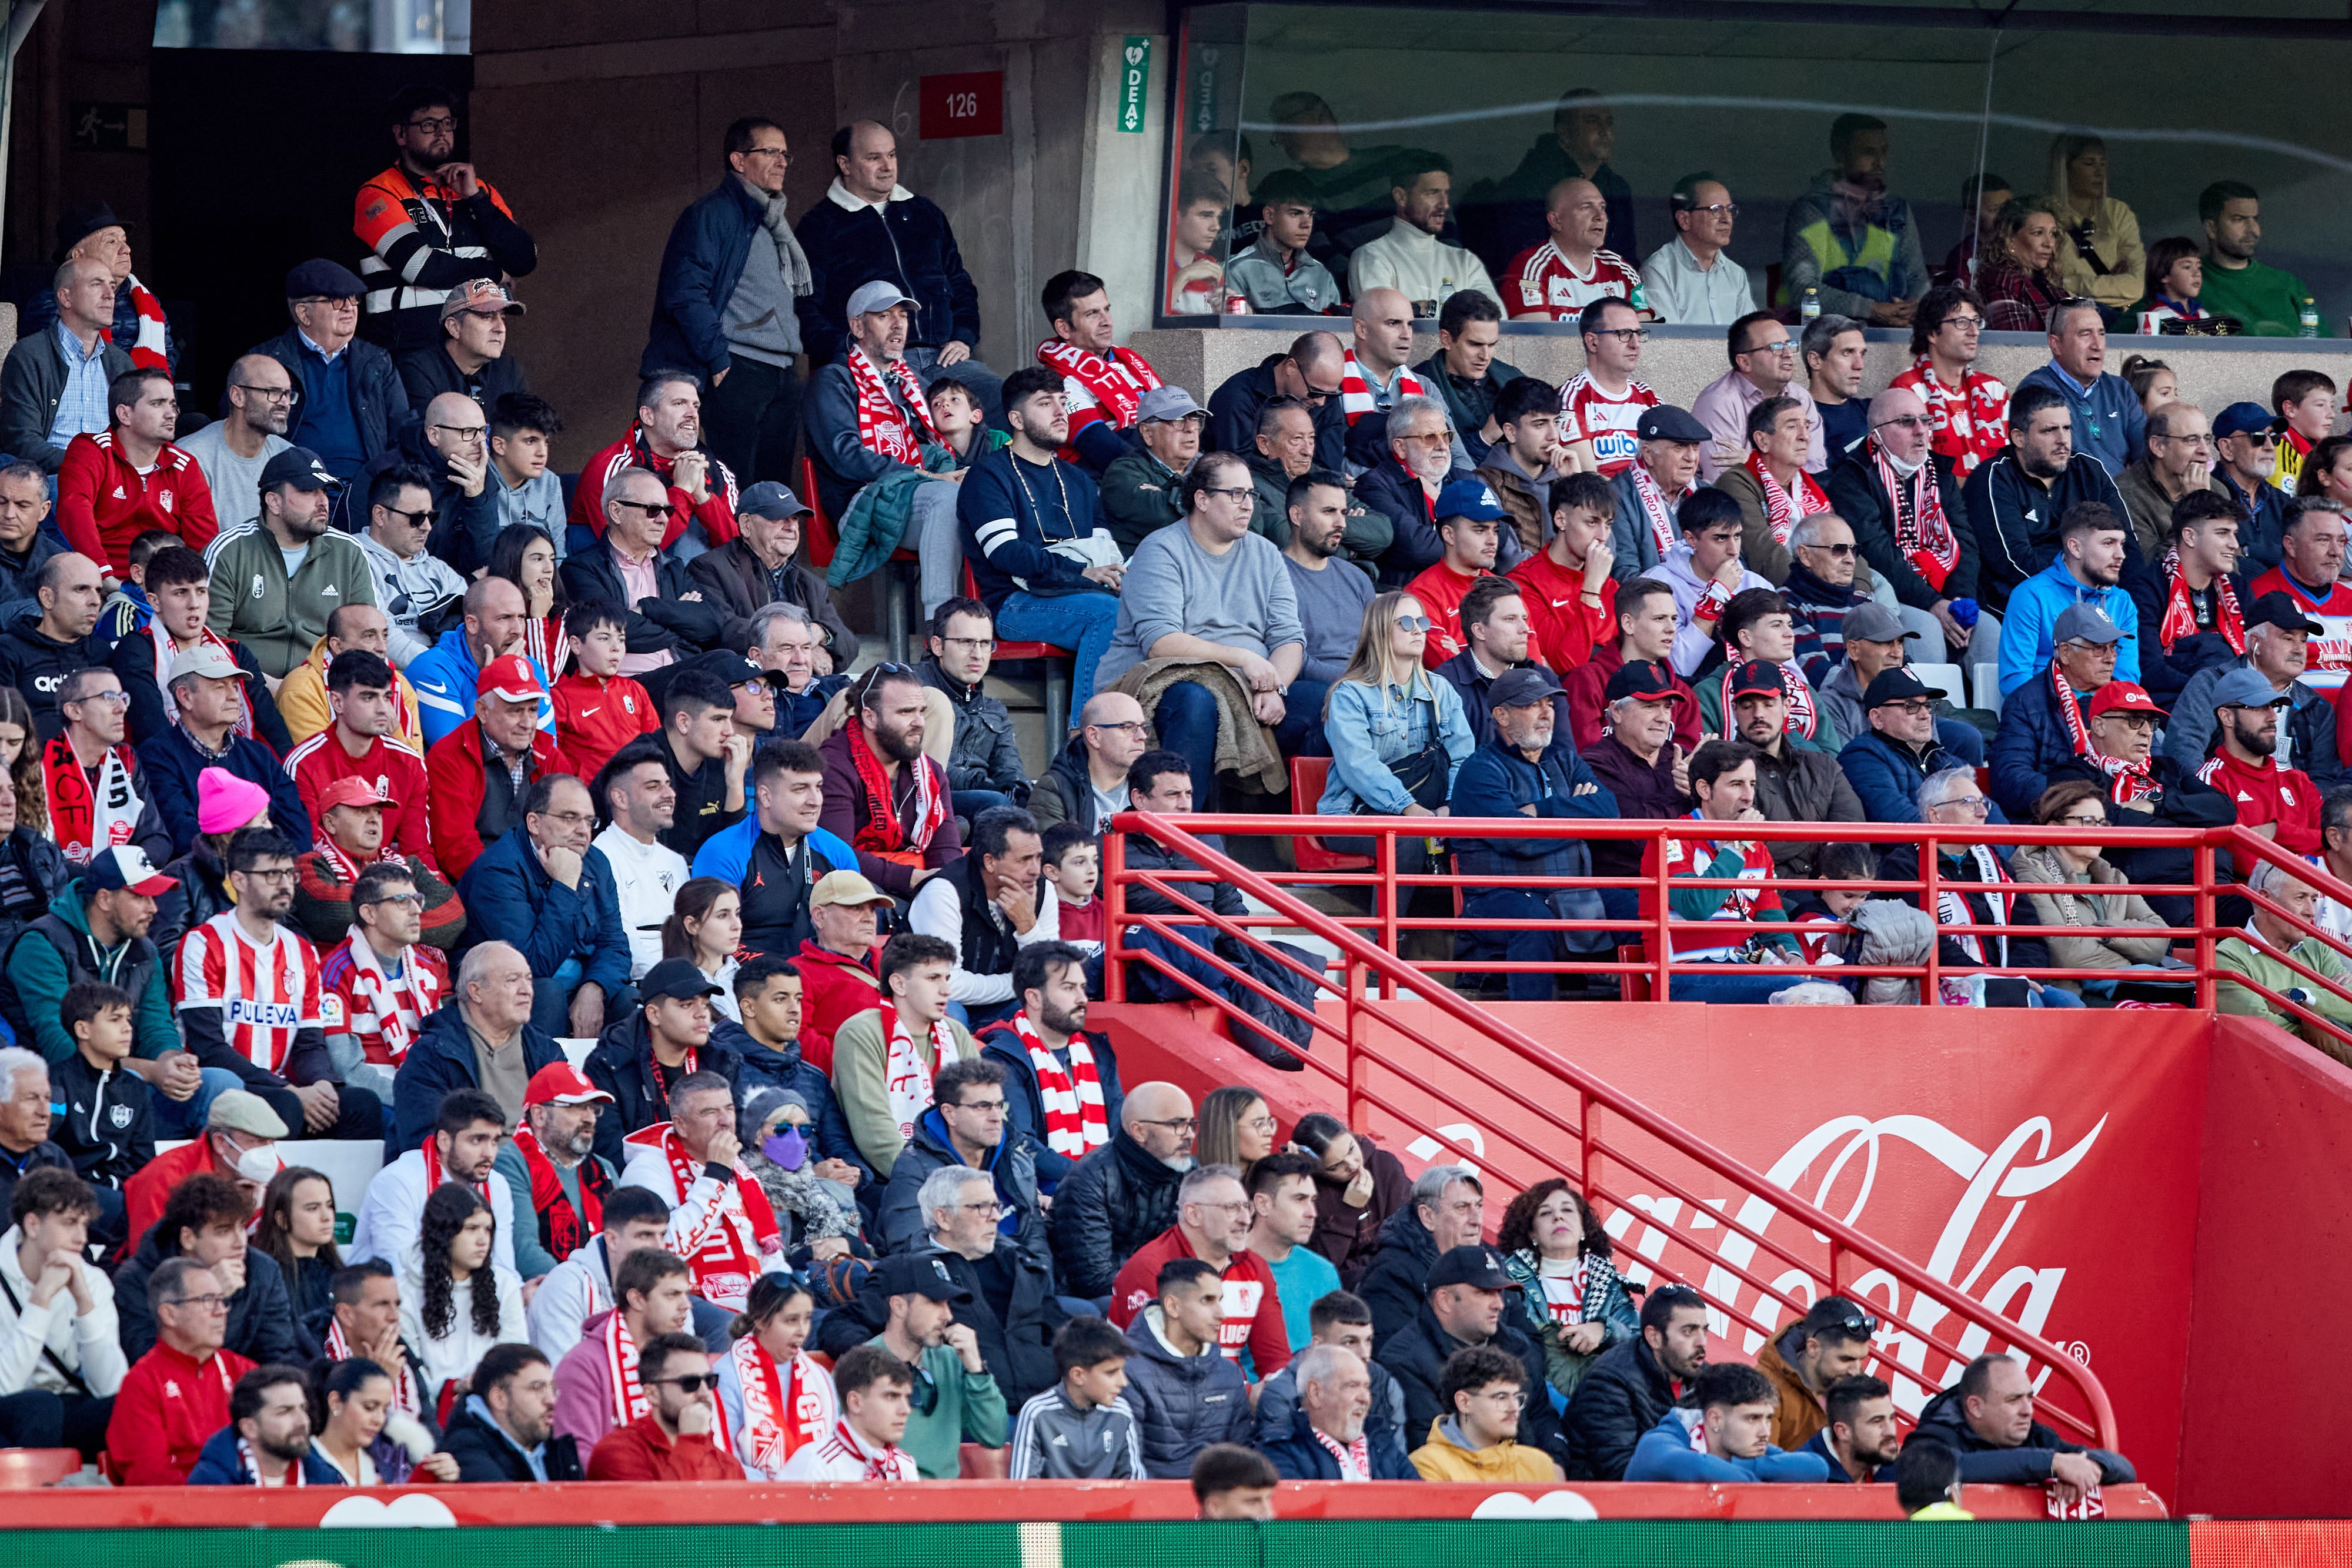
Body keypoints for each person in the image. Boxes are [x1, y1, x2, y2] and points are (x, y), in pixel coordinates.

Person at [1097, 452, 1322, 809]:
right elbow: (1161, 643)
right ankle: (1182, 838)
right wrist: (1246, 660)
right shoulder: (1160, 549)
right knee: (1196, 702)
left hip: (1251, 688)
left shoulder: (1265, 553)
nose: (1247, 505)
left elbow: (1289, 637)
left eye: (1251, 494)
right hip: (1166, 684)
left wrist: (1275, 686)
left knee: (1333, 703)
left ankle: (1297, 839)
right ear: (1201, 499)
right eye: (1235, 494)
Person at [173, 828, 384, 1141]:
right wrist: (289, 1090)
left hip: (283, 1087)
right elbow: (209, 1048)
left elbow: (309, 1043)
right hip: (227, 1085)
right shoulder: (203, 943)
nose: (286, 884)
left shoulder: (302, 951)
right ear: (239, 881)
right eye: (272, 874)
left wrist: (322, 1083)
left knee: (361, 1104)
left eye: (289, 873)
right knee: (285, 1106)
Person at [797, 119, 993, 400]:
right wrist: (850, 351)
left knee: (1003, 398)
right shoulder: (819, 226)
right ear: (845, 164)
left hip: (945, 357)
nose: (888, 166)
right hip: (877, 363)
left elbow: (959, 282)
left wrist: (963, 335)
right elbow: (805, 307)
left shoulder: (925, 213)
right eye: (874, 158)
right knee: (923, 417)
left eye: (892, 155)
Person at [351, 85, 534, 352]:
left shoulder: (478, 189)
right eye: (429, 124)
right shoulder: (377, 193)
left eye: (448, 124)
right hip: (406, 345)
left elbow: (524, 259)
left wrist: (476, 199)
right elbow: (420, 267)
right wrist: (495, 273)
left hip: (473, 345)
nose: (442, 133)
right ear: (401, 134)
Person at [457, 770, 632, 1039]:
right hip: (503, 990)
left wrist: (594, 989)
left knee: (628, 1000)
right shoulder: (499, 871)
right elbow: (533, 965)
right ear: (534, 823)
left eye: (589, 821)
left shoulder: (596, 862)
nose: (583, 831)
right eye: (569, 818)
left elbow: (615, 944)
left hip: (577, 985)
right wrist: (565, 886)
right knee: (547, 993)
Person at [1820, 386, 1973, 656]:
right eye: (1906, 422)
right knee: (1926, 629)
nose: (1920, 430)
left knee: (1991, 632)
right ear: (1876, 436)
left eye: (1925, 421)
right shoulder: (1853, 478)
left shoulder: (1940, 472)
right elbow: (1876, 552)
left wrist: (1959, 601)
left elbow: (1965, 542)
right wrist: (1933, 604)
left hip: (1945, 593)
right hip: (1890, 598)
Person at [201, 447, 376, 683]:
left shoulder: (348, 553)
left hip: (323, 690)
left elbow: (365, 638)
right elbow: (209, 642)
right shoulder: (230, 551)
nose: (323, 501)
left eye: (324, 491)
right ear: (274, 502)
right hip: (243, 686)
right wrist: (270, 687)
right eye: (309, 492)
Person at [1377, 1244, 1565, 1465]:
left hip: (1527, 1479)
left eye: (1499, 1293)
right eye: (1484, 1293)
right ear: (1445, 1301)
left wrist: (1555, 1464)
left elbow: (1543, 1417)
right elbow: (1428, 1443)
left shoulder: (1517, 1346)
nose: (1500, 1305)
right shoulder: (1404, 1360)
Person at [1965, 383, 2134, 623]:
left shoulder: (2088, 471)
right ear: (2019, 438)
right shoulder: (1994, 478)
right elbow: (2013, 562)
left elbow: (2126, 542)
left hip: (2095, 599)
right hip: (2025, 609)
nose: (2063, 440)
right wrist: (2081, 592)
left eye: (2067, 428)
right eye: (2049, 431)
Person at [829, 932, 981, 1180]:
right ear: (899, 984)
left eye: (947, 978)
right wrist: (941, 1186)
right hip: (890, 1179)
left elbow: (986, 1112)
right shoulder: (860, 1034)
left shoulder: (956, 1033)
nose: (946, 990)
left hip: (963, 1176)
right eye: (933, 978)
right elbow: (876, 1136)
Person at [114, 1166, 302, 1368]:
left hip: (245, 1393)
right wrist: (212, 1296)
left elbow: (278, 1357)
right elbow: (148, 1362)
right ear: (188, 1238)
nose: (240, 1242)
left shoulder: (264, 1270)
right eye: (223, 1232)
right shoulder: (135, 1280)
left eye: (241, 1227)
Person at [136, 646, 309, 858]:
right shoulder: (157, 756)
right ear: (185, 697)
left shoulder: (258, 754)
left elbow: (297, 826)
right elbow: (183, 833)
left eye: (235, 686)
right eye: (220, 687)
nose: (234, 697)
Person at [246, 260, 406, 486]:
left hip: (364, 489)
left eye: (354, 299)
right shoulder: (266, 361)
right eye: (337, 300)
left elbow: (402, 435)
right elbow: (243, 434)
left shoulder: (377, 361)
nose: (350, 307)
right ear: (304, 313)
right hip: (292, 486)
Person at [2009, 780, 2173, 996]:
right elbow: (2066, 954)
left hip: (2124, 989)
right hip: (2072, 997)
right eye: (2087, 821)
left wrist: (2103, 933)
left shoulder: (2113, 877)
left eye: (2102, 822)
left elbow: (2160, 940)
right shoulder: (2031, 874)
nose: (2098, 830)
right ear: (2055, 829)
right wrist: (2133, 966)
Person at [56, 368, 219, 585]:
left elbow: (203, 544)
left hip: (165, 589)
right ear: (125, 414)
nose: (171, 413)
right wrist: (105, 577)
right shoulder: (92, 450)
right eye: (158, 403)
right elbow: (74, 509)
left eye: (172, 404)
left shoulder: (185, 465)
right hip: (98, 584)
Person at [0, 1168, 122, 1457]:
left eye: (84, 1225)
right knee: (41, 1407)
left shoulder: (93, 1281)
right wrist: (40, 1300)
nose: (82, 1238)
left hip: (66, 1404)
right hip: (10, 1412)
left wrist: (84, 1305)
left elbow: (111, 1387)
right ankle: (39, 1500)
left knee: (128, 1407)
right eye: (69, 1224)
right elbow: (5, 1387)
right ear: (32, 1225)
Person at [854, 1250, 1005, 1477]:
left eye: (948, 1303)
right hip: (884, 1501)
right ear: (899, 1306)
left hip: (944, 1505)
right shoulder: (860, 1366)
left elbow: (994, 1436)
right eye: (935, 1302)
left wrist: (976, 1368)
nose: (948, 1315)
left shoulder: (953, 1359)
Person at [426, 653, 577, 881]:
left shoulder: (549, 756)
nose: (527, 723)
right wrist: (507, 887)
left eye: (532, 710)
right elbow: (456, 848)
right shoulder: (448, 757)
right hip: (479, 884)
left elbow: (570, 830)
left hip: (542, 878)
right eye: (515, 711)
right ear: (482, 711)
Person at [816, 666, 961, 901]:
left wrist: (946, 887)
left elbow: (946, 851)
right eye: (906, 713)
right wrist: (911, 878)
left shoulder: (931, 773)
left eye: (921, 711)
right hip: (854, 896)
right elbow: (837, 856)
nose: (920, 722)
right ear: (870, 717)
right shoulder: (833, 767)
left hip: (920, 891)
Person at [2167, 593, 2339, 785]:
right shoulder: (2211, 684)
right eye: (2288, 638)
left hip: (2293, 809)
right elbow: (2184, 750)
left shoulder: (2317, 706)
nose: (2299, 650)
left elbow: (2323, 779)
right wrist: (2207, 801)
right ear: (2255, 643)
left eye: (2303, 640)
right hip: (2223, 802)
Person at [1913, 1350, 2136, 1496]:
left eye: (2029, 1398)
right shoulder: (1934, 1436)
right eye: (2013, 1400)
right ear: (1975, 1407)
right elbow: (1954, 1467)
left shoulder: (2036, 1436)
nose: (2027, 1411)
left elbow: (2125, 1468)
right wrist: (2051, 1463)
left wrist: (2094, 1467)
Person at [569, 372, 740, 561]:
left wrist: (702, 497)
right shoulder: (611, 468)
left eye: (696, 406)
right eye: (679, 404)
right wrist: (683, 491)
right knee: (687, 543)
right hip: (608, 573)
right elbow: (627, 550)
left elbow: (736, 552)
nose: (692, 414)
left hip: (686, 575)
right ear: (648, 416)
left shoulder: (716, 471)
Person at [351, 1086, 519, 1277]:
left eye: (495, 1141)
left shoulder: (497, 1185)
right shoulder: (398, 1182)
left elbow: (503, 1269)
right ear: (444, 1141)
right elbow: (399, 1274)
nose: (489, 1153)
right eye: (477, 1141)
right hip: (390, 1301)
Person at [1050, 1080, 1194, 1299]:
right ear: (1139, 1132)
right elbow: (1094, 1280)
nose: (1190, 1135)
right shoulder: (1089, 1180)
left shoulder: (1190, 1174)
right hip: (1088, 1303)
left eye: (1192, 1125)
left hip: (1162, 1292)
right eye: (1177, 1125)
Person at [1781, 113, 1929, 327]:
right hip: (1831, 341)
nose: (1880, 163)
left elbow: (1918, 279)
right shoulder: (1812, 210)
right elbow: (1801, 289)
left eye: (1884, 152)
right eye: (1869, 153)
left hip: (1896, 339)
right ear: (1840, 155)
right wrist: (1870, 309)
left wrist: (1916, 308)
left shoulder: (1898, 210)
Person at [686, 482, 854, 663]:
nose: (791, 527)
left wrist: (822, 633)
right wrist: (801, 649)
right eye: (778, 518)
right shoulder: (710, 568)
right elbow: (723, 630)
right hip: (745, 683)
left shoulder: (812, 584)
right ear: (746, 524)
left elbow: (850, 644)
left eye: (795, 518)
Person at [1115, 1257, 1251, 1478]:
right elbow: (1127, 1467)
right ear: (1173, 1307)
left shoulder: (1229, 1374)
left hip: (1216, 1503)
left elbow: (1240, 1459)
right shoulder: (1127, 1372)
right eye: (1207, 1301)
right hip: (1150, 1504)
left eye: (1220, 1300)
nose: (1221, 1314)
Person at [398, 1182, 526, 1414]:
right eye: (472, 1228)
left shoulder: (505, 1285)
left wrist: (482, 1383)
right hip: (431, 1410)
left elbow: (514, 1355)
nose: (482, 1240)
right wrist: (454, 1386)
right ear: (444, 1233)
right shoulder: (405, 1293)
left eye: (488, 1230)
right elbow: (409, 1372)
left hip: (495, 1405)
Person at [1559, 1281, 1708, 1480]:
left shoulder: (1707, 1378)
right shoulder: (1609, 1382)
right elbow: (1621, 1471)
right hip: (1606, 1504)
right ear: (1654, 1337)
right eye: (1688, 1331)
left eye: (1704, 1330)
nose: (1702, 1343)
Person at [0, 256, 133, 476]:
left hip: (112, 481)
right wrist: (87, 467)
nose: (110, 295)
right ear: (66, 297)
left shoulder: (122, 363)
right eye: (97, 284)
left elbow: (136, 435)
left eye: (112, 287)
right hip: (51, 477)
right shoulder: (29, 356)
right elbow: (22, 440)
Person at [1999, 503, 2140, 697]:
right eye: (2108, 543)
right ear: (2075, 548)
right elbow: (2016, 680)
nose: (2121, 555)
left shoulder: (2122, 602)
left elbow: (2126, 678)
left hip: (2106, 716)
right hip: (2047, 715)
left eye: (2122, 544)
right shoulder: (2032, 596)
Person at [1034, 269, 1167, 474]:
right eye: (1092, 314)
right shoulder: (1058, 379)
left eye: (1107, 310)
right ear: (1064, 329)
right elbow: (1101, 447)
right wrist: (1169, 470)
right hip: (1115, 479)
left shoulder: (1127, 360)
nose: (1108, 321)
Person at [2130, 490, 2247, 706]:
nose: (2234, 544)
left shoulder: (2239, 589)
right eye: (2223, 533)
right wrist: (2215, 689)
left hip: (2235, 702)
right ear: (2190, 537)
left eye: (2234, 534)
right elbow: (2150, 669)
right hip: (2174, 706)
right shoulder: (2148, 588)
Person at [1623, 1361, 1830, 1482]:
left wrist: (1741, 1465)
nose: (1765, 1432)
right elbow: (1699, 1468)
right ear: (1716, 1419)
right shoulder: (1660, 1441)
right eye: (1752, 1419)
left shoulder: (1746, 1449)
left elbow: (1816, 1468)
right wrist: (1755, 1485)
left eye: (1768, 1418)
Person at [1560, 577, 1702, 753]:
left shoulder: (1683, 695)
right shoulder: (1586, 681)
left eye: (1673, 619)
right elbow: (1585, 758)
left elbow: (1685, 764)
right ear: (1629, 624)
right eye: (1659, 618)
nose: (1671, 628)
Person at [1886, 286, 2008, 487]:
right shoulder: (1907, 390)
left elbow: (2012, 460)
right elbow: (1915, 471)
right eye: (1962, 322)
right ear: (1933, 333)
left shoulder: (1994, 389)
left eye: (1977, 322)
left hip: (1997, 502)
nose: (1974, 332)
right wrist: (1982, 489)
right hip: (1942, 508)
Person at [1347, 153, 1496, 316]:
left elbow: (1495, 320)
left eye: (1446, 194)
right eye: (1432, 193)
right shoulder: (1372, 258)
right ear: (1401, 197)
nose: (1444, 205)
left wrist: (1419, 310)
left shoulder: (1466, 262)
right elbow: (1382, 319)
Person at [349, 470, 467, 675]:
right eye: (417, 518)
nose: (427, 527)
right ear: (380, 515)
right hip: (389, 676)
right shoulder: (354, 559)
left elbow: (471, 624)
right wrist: (442, 668)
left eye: (432, 517)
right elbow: (382, 636)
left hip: (450, 673)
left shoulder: (440, 570)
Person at [583, 1329, 743, 1480]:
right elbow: (665, 1507)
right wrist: (691, 1441)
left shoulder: (728, 1466)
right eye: (690, 1383)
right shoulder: (617, 1452)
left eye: (709, 1381)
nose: (704, 1392)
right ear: (652, 1394)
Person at [2015, 299, 2146, 482]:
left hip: (2126, 501)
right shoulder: (2037, 390)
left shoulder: (2119, 389)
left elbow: (2148, 456)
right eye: (2085, 335)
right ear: (2056, 344)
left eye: (2101, 334)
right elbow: (2072, 464)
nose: (2098, 345)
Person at [1692, 315, 1827, 490]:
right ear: (1745, 362)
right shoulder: (1719, 402)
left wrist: (1751, 464)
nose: (1787, 354)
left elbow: (1815, 473)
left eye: (1789, 344)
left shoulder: (1800, 397)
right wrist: (1781, 470)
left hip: (1800, 506)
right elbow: (1728, 484)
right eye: (1775, 347)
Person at [1838, 664, 1984, 825]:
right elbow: (1898, 823)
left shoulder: (1947, 761)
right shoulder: (1861, 758)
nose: (1925, 715)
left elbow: (1988, 814)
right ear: (1877, 718)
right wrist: (1965, 838)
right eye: (1911, 707)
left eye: (1927, 706)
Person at [1005, 1315, 1143, 1479]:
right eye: (1111, 1372)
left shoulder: (1122, 1412)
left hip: (1110, 1506)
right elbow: (1022, 1491)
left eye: (1122, 1370)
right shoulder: (1037, 1413)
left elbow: (1134, 1488)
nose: (1123, 1382)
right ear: (1078, 1375)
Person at [1262, 1341, 1416, 1482]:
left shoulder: (1382, 1443)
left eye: (1366, 1387)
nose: (1365, 1398)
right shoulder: (1279, 1450)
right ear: (1316, 1393)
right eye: (1352, 1386)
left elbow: (1420, 1504)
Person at [1357, 395, 1467, 590]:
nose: (1442, 446)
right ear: (1401, 448)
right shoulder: (1375, 486)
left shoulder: (1468, 481)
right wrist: (1474, 546)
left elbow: (1500, 540)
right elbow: (1418, 547)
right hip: (1412, 602)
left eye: (1446, 436)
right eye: (1430, 438)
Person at [1501, 178, 1645, 326]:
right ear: (1556, 221)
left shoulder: (1623, 271)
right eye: (1586, 208)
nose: (1600, 217)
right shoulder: (1531, 267)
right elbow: (1538, 341)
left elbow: (1645, 335)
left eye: (1602, 208)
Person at [1409, 1343, 1561, 1481]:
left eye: (1517, 1397)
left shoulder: (1539, 1464)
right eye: (1501, 1397)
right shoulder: (1427, 1465)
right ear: (1464, 1402)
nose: (1514, 1407)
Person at [437, 1342, 584, 1482]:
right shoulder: (466, 1449)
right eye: (537, 1388)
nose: (551, 1400)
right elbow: (508, 1508)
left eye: (552, 1388)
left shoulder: (557, 1443)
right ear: (499, 1399)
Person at [1208, 331, 1348, 477]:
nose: (1322, 402)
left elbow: (1329, 469)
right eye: (1315, 391)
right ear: (1291, 367)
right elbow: (1238, 471)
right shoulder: (1237, 399)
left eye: (1331, 394)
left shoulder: (1324, 396)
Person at [776, 1340, 920, 1481]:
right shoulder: (814, 1466)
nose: (906, 1410)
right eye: (891, 1397)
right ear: (855, 1402)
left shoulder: (904, 1465)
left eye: (907, 1397)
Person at [1751, 1294, 1877, 1453]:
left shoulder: (1856, 1385)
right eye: (1846, 1359)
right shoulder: (1763, 1389)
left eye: (1861, 1359)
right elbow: (1760, 1468)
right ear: (1813, 1348)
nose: (1856, 1371)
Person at [183, 1363, 341, 1486]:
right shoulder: (212, 1483)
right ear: (249, 1428)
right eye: (285, 1411)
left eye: (303, 1408)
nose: (303, 1421)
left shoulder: (327, 1479)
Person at [2196, 180, 2313, 338]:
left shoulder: (2288, 284)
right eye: (2239, 219)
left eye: (2255, 219)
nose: (2254, 231)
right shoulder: (2186, 281)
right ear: (2211, 228)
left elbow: (2327, 352)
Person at [2119, 404, 2230, 569]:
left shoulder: (2216, 490)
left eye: (2206, 439)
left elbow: (2231, 561)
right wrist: (2195, 508)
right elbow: (2154, 568)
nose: (2205, 451)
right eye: (2192, 440)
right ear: (2158, 446)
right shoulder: (2125, 495)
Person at [1559, 299, 1659, 480]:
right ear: (1593, 342)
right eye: (1624, 334)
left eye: (1638, 333)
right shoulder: (1571, 398)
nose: (1635, 344)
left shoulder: (1650, 398)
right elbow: (1588, 481)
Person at [1100, 385, 1207, 556]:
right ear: (1148, 433)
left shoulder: (1208, 465)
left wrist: (1167, 493)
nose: (1190, 429)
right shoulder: (1122, 474)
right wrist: (1217, 502)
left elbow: (1251, 511)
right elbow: (1164, 517)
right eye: (1179, 420)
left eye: (1195, 419)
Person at [1638, 173, 1756, 328]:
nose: (1727, 219)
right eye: (1716, 210)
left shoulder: (1736, 274)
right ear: (1685, 220)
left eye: (1730, 210)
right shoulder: (1659, 270)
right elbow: (1667, 342)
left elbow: (1750, 335)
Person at [397, 278, 527, 415]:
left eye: (503, 318)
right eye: (487, 317)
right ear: (454, 328)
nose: (501, 328)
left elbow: (526, 428)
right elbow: (427, 433)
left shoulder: (509, 369)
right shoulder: (418, 370)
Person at [2211, 402, 2290, 576]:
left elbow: (2305, 555)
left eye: (2274, 437)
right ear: (2227, 448)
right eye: (2258, 437)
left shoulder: (2284, 502)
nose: (2270, 446)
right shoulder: (2206, 497)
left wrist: (2249, 550)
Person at [1805, 313, 1872, 463]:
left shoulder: (1874, 410)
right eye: (1847, 353)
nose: (1859, 365)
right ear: (1815, 361)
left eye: (1862, 354)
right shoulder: (1801, 420)